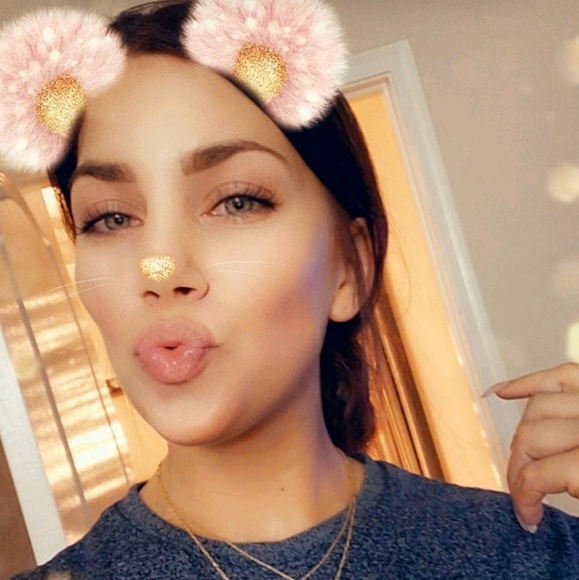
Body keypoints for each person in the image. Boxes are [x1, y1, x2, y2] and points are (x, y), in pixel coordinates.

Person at [2, 0, 578, 578]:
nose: (160, 269)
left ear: (350, 268)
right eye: (110, 218)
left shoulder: (539, 556)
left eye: (237, 201)